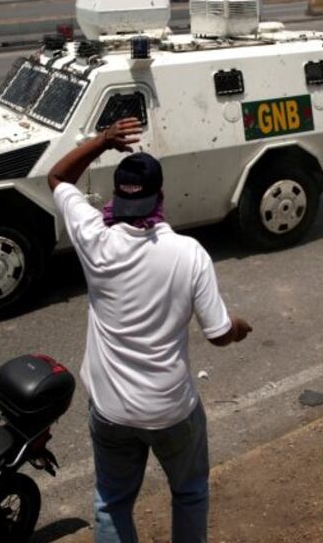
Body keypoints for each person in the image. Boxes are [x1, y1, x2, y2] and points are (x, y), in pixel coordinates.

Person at [47, 117, 252, 543]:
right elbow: (217, 333)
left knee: (111, 502)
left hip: (110, 409)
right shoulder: (188, 253)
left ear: (116, 197)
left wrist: (103, 141)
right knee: (190, 492)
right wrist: (237, 327)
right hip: (170, 408)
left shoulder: (93, 237)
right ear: (162, 196)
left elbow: (57, 176)